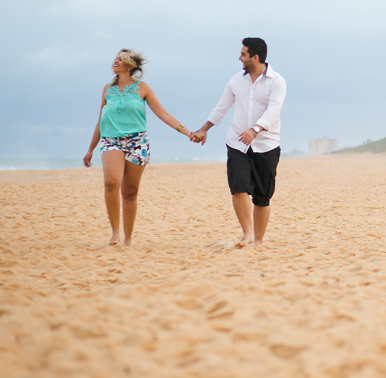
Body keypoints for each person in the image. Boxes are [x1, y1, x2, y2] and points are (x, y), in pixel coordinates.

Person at [84, 49, 194, 246]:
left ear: (130, 65)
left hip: (137, 142)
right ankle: (115, 232)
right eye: (115, 59)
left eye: (121, 59)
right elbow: (101, 120)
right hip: (111, 140)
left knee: (130, 191)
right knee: (111, 182)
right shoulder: (107, 89)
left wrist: (186, 132)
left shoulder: (142, 88)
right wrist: (91, 148)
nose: (115, 62)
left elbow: (163, 114)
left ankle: (128, 238)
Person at [191, 38, 287, 248]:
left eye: (243, 54)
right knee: (238, 187)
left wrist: (255, 130)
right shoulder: (236, 80)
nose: (239, 57)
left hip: (267, 145)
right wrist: (204, 129)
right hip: (237, 143)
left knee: (262, 197)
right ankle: (247, 234)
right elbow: (221, 107)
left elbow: (273, 111)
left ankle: (258, 241)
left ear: (255, 57)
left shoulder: (277, 81)